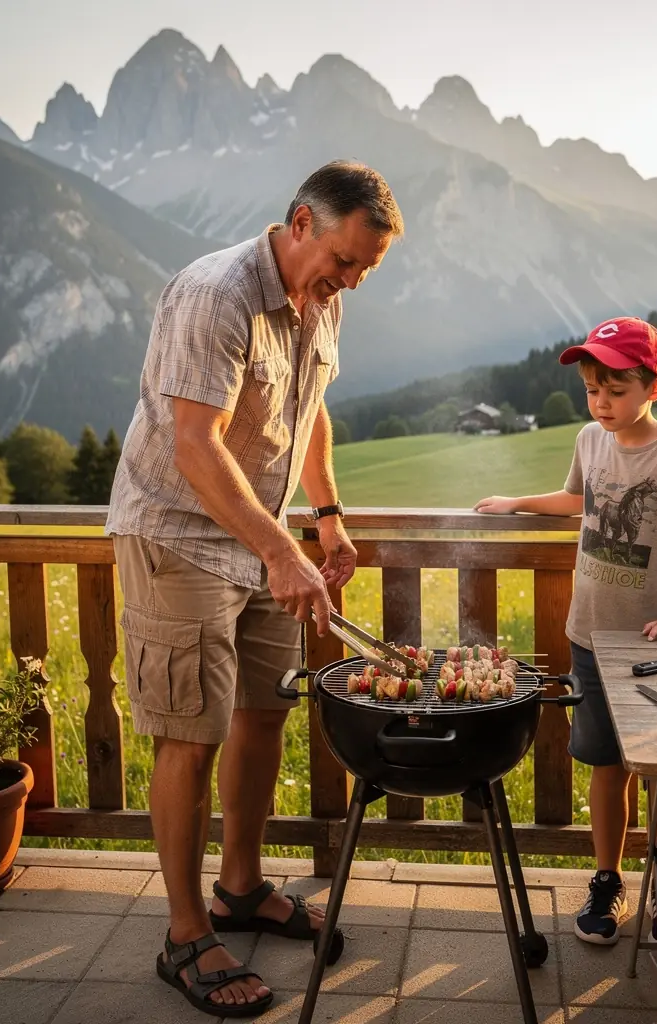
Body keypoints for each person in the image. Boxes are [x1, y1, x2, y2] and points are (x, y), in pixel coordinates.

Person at [106, 161, 403, 1017]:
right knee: (189, 735)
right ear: (301, 221)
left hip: (262, 538)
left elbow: (309, 407)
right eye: (345, 261)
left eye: (365, 270)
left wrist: (328, 517)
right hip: (178, 534)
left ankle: (239, 888)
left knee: (263, 715)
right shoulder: (216, 295)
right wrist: (282, 552)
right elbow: (195, 445)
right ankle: (185, 933)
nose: (351, 281)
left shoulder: (324, 296)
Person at [475, 316, 657, 947]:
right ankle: (608, 880)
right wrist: (518, 502)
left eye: (615, 389)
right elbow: (577, 500)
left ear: (654, 387)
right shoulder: (589, 439)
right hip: (590, 638)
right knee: (606, 767)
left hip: (655, 647)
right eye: (591, 389)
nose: (601, 402)